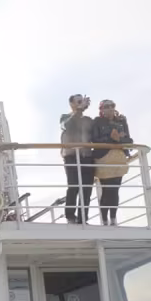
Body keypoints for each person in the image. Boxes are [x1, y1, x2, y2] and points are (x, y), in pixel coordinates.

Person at [91, 100, 133, 226]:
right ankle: (105, 219)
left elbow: (129, 140)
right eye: (106, 106)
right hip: (104, 157)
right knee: (106, 189)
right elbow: (94, 139)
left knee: (115, 189)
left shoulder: (121, 121)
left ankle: (113, 218)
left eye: (112, 106)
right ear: (101, 109)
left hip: (118, 158)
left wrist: (119, 139)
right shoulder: (97, 121)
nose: (110, 108)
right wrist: (110, 138)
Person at [60, 94, 94, 224]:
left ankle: (83, 218)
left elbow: (96, 135)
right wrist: (78, 110)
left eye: (83, 101)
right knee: (73, 186)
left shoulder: (89, 120)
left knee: (86, 189)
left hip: (87, 157)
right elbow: (67, 126)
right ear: (72, 104)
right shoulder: (65, 118)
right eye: (79, 101)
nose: (82, 104)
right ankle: (70, 216)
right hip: (71, 157)